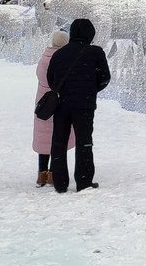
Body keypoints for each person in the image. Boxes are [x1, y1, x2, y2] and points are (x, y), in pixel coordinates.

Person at [47, 18, 110, 193]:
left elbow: (51, 80)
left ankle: (60, 182)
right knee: (84, 142)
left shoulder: (59, 54)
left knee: (59, 141)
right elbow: (105, 77)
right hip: (85, 104)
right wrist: (91, 88)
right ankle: (83, 180)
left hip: (62, 104)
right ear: (90, 34)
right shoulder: (96, 53)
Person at [34, 30, 75, 186]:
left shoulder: (44, 57)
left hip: (44, 103)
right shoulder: (65, 59)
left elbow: (40, 76)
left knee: (44, 140)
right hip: (59, 103)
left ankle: (41, 174)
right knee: (57, 139)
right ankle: (52, 174)